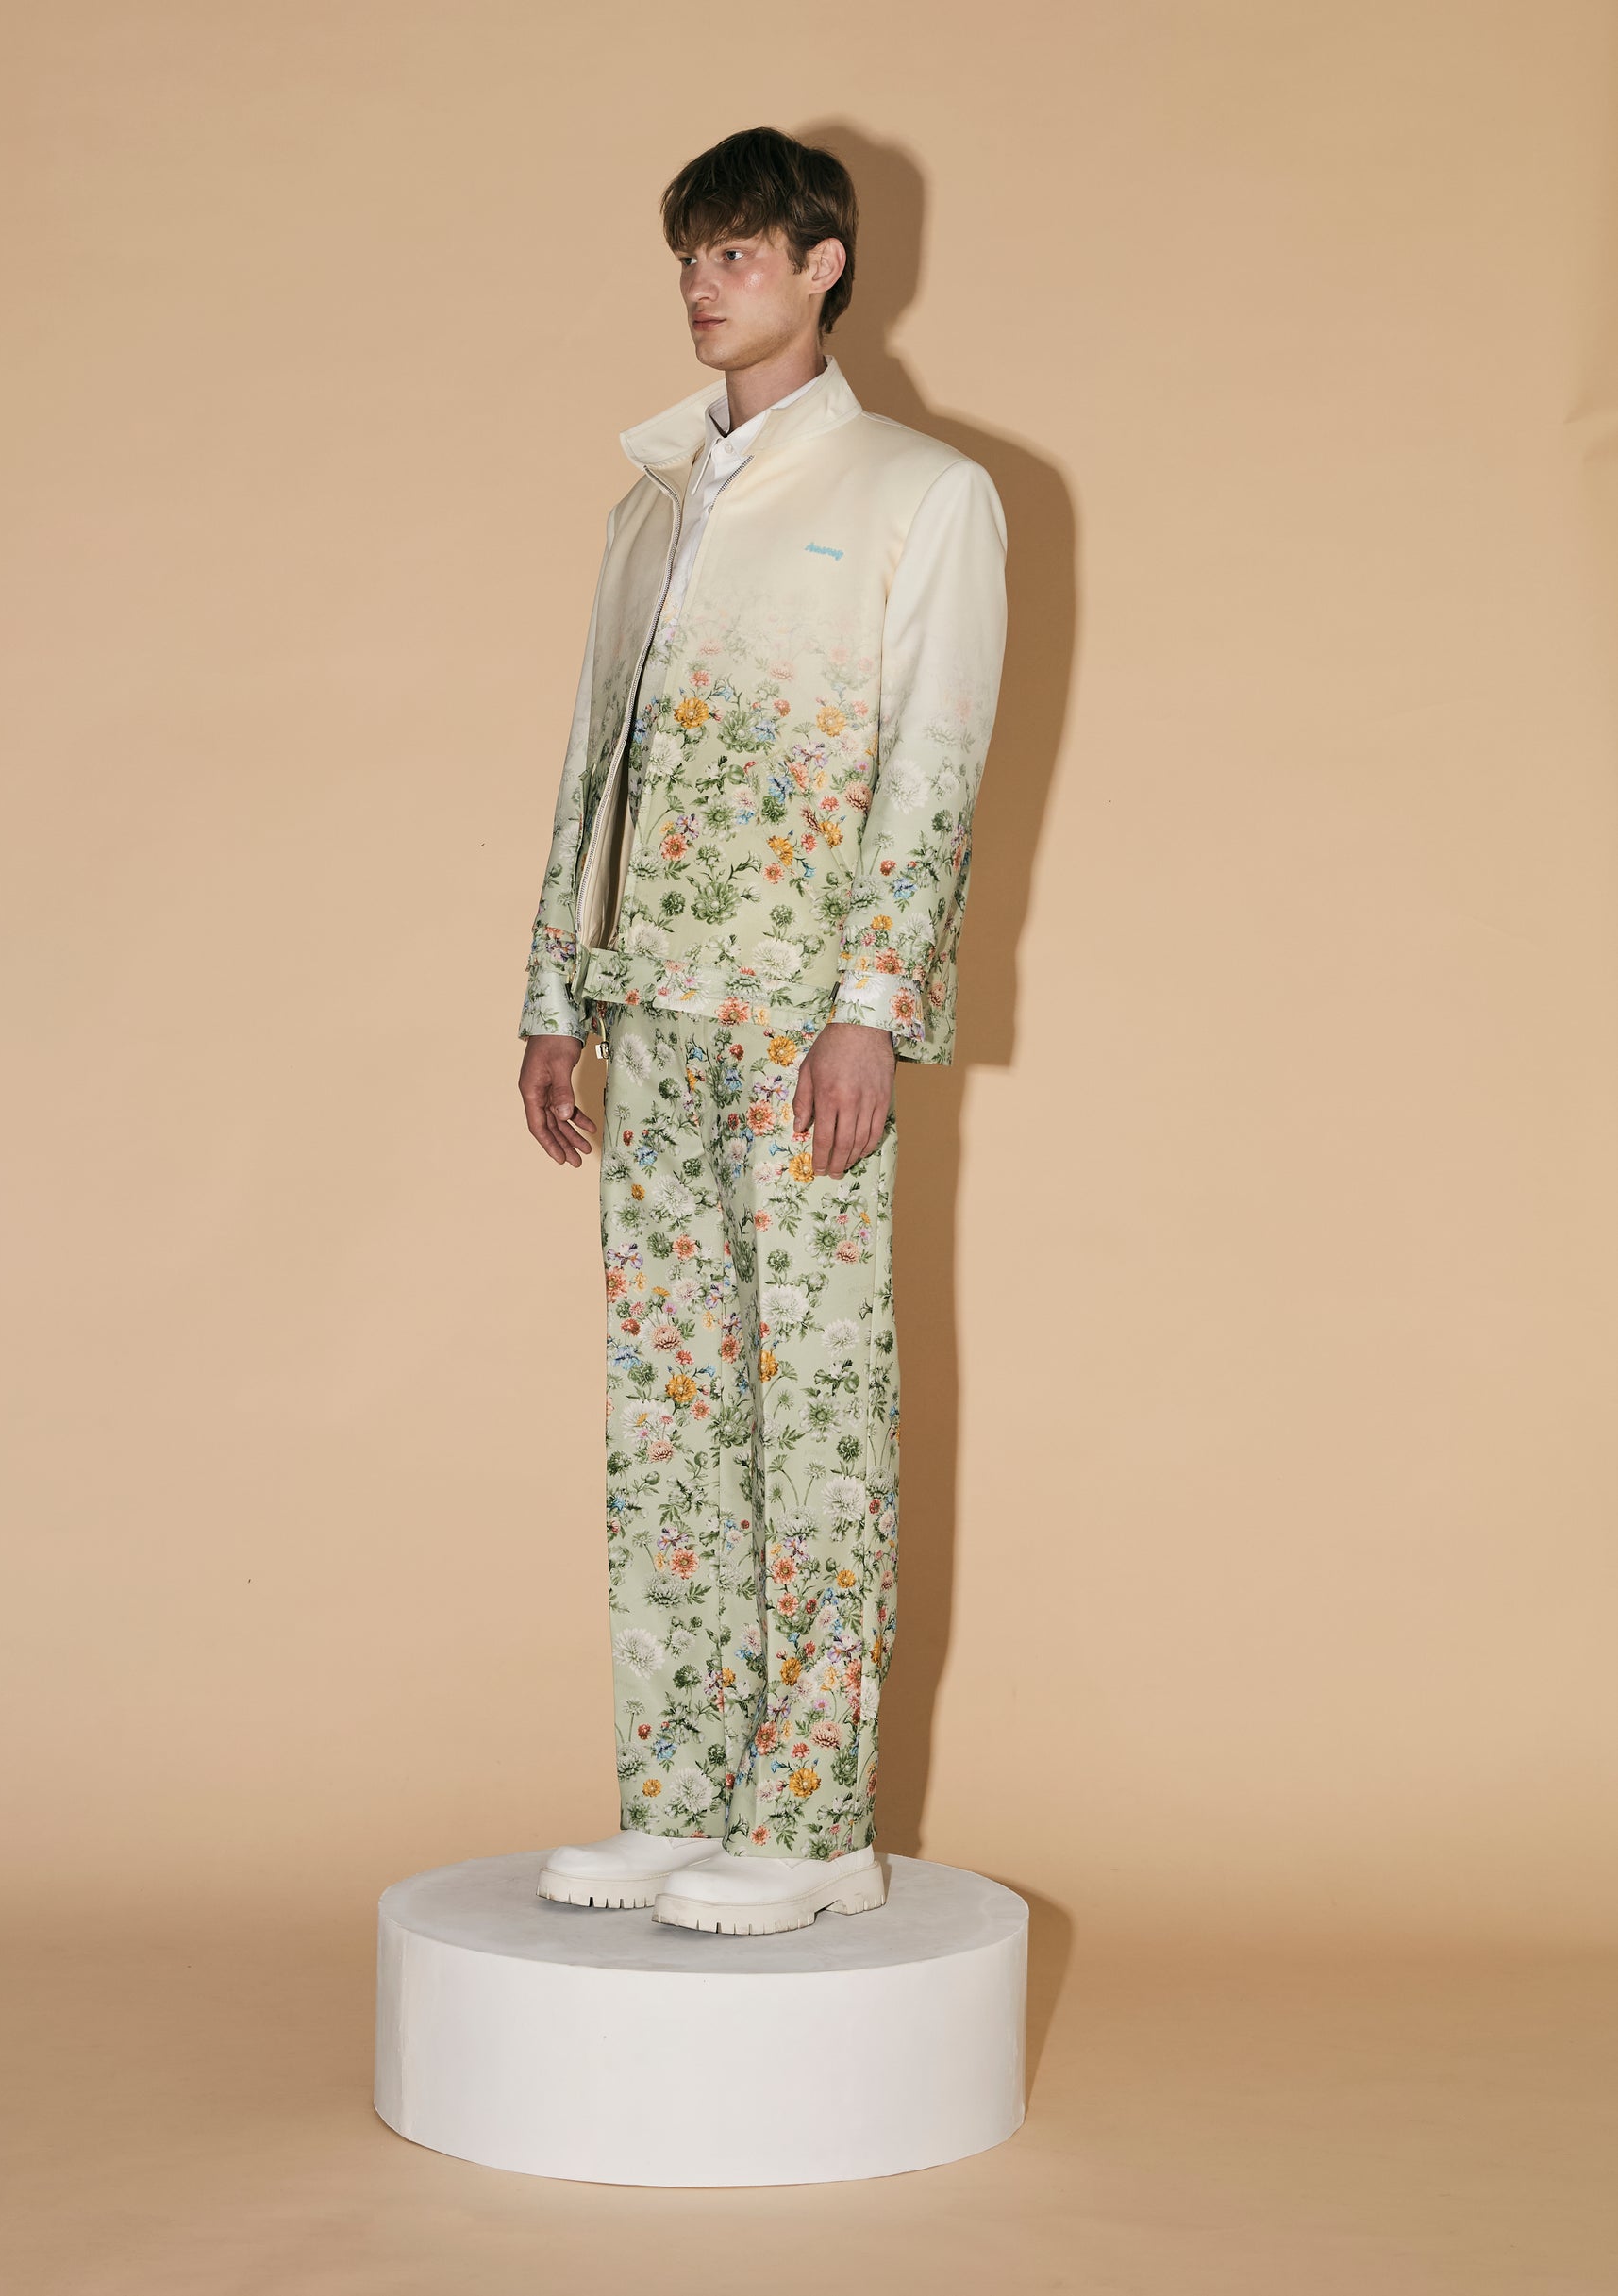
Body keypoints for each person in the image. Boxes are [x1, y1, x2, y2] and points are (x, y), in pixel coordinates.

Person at [516, 126, 1007, 1936]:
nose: (702, 283)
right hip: (646, 1014)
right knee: (668, 1419)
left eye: (735, 251)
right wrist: (556, 992)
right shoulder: (651, 504)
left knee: (816, 1412)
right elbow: (596, 758)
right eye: (689, 256)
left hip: (804, 1023)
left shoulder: (920, 493)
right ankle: (679, 1793)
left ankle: (811, 1819)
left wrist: (868, 1009)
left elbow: (932, 768)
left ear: (821, 265)